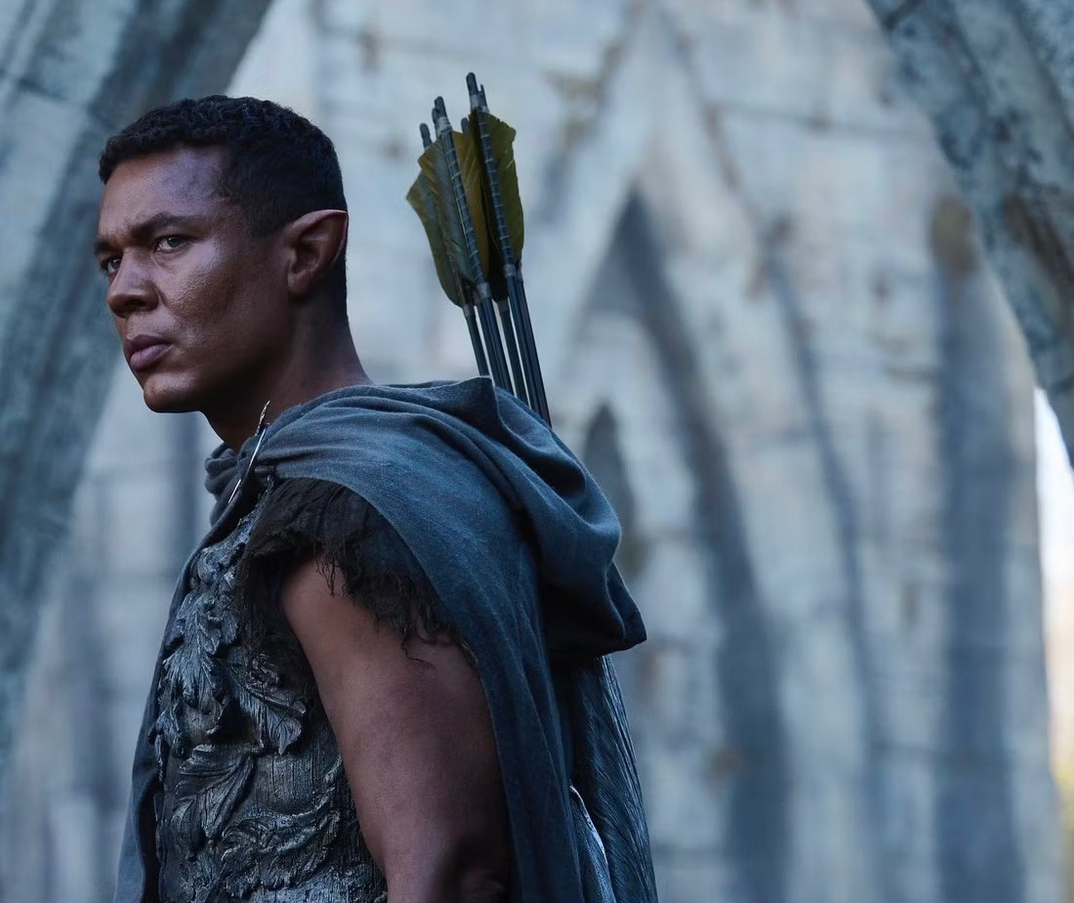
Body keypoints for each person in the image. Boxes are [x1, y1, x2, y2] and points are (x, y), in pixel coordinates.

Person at [94, 95, 655, 903]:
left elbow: (451, 871)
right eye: (111, 260)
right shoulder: (289, 491)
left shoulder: (343, 516)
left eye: (169, 242)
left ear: (306, 252)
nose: (125, 291)